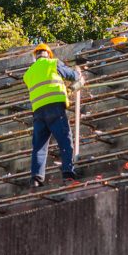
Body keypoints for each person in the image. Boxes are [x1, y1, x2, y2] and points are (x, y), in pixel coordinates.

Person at [23, 43, 84, 187]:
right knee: (64, 140)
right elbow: (72, 75)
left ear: (35, 56)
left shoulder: (28, 73)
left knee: (39, 146)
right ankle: (68, 172)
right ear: (49, 54)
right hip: (55, 108)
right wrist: (78, 73)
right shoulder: (53, 63)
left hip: (38, 111)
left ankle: (36, 178)